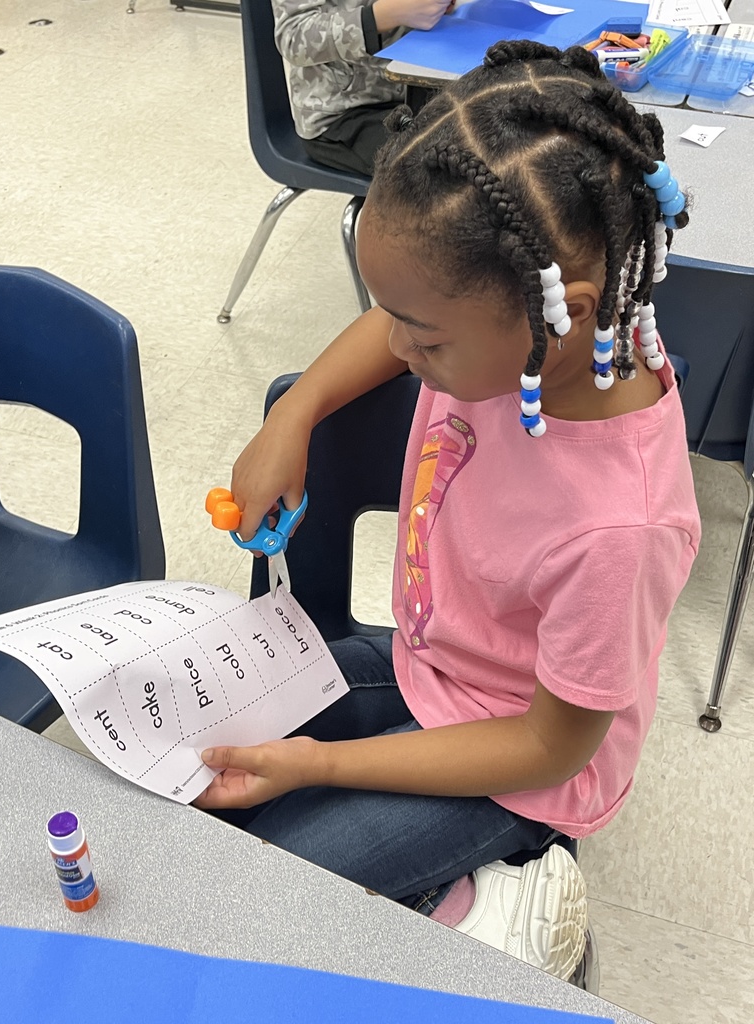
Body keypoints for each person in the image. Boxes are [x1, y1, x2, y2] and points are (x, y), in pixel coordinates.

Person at [195, 40, 701, 979]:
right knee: (199, 759)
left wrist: (322, 764)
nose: (400, 347)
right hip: (435, 664)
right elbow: (402, 316)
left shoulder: (618, 529)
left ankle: (491, 901)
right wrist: (296, 413)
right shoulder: (520, 320)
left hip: (521, 762)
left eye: (421, 340)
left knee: (253, 888)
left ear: (564, 312)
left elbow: (549, 745)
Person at [273, 0, 453, 176]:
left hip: (416, 85)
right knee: (449, 166)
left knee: (474, 134)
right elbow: (293, 36)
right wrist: (383, 16)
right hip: (343, 112)